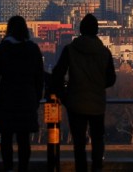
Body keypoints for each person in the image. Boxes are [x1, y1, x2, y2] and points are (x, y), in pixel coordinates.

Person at [51, 13, 116, 172]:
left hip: (76, 102)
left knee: (79, 143)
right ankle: (97, 167)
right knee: (98, 140)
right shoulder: (104, 53)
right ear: (96, 30)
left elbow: (57, 75)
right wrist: (98, 85)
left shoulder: (70, 50)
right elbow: (111, 79)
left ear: (80, 30)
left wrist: (64, 95)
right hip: (97, 103)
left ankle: (81, 169)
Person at [0, 15, 44, 172]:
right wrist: (37, 98)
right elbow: (39, 77)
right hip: (27, 99)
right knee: (24, 140)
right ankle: (23, 168)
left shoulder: (4, 48)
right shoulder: (33, 49)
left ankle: (8, 168)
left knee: (6, 138)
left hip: (7, 99)